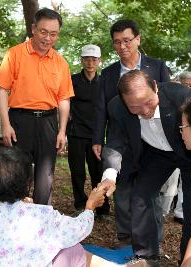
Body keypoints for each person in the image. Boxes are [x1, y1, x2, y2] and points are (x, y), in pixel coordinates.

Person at [0, 147, 146, 267]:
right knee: (71, 248)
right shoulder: (40, 214)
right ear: (28, 184)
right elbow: (76, 230)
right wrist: (89, 207)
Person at [99, 70, 191, 266]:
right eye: (135, 107)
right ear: (124, 102)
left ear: (155, 87)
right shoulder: (117, 107)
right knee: (140, 195)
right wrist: (109, 176)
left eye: (148, 102)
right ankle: (146, 257)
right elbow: (115, 142)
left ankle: (189, 261)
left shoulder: (180, 96)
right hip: (157, 154)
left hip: (189, 152)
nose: (145, 111)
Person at [92, 19, 171, 247]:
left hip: (153, 142)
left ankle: (153, 240)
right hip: (121, 143)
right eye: (117, 42)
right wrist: (98, 138)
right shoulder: (107, 74)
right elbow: (100, 109)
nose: (122, 46)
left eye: (127, 40)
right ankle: (125, 238)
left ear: (137, 39)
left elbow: (167, 104)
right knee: (123, 192)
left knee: (150, 193)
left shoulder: (156, 67)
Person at [0, 8, 74, 205]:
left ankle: (41, 220)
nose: (47, 38)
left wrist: (62, 131)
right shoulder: (14, 54)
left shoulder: (61, 63)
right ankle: (14, 217)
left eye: (53, 34)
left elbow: (64, 99)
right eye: (43, 32)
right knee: (17, 172)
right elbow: (3, 91)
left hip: (48, 123)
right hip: (19, 120)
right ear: (33, 28)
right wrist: (6, 125)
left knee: (45, 176)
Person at [67, 44, 110, 216]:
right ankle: (79, 202)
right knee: (77, 172)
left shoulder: (104, 83)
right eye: (87, 59)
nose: (90, 63)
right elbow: (65, 103)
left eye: (94, 59)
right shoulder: (72, 80)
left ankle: (102, 207)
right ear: (82, 61)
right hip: (76, 133)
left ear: (99, 61)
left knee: (98, 173)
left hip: (97, 136)